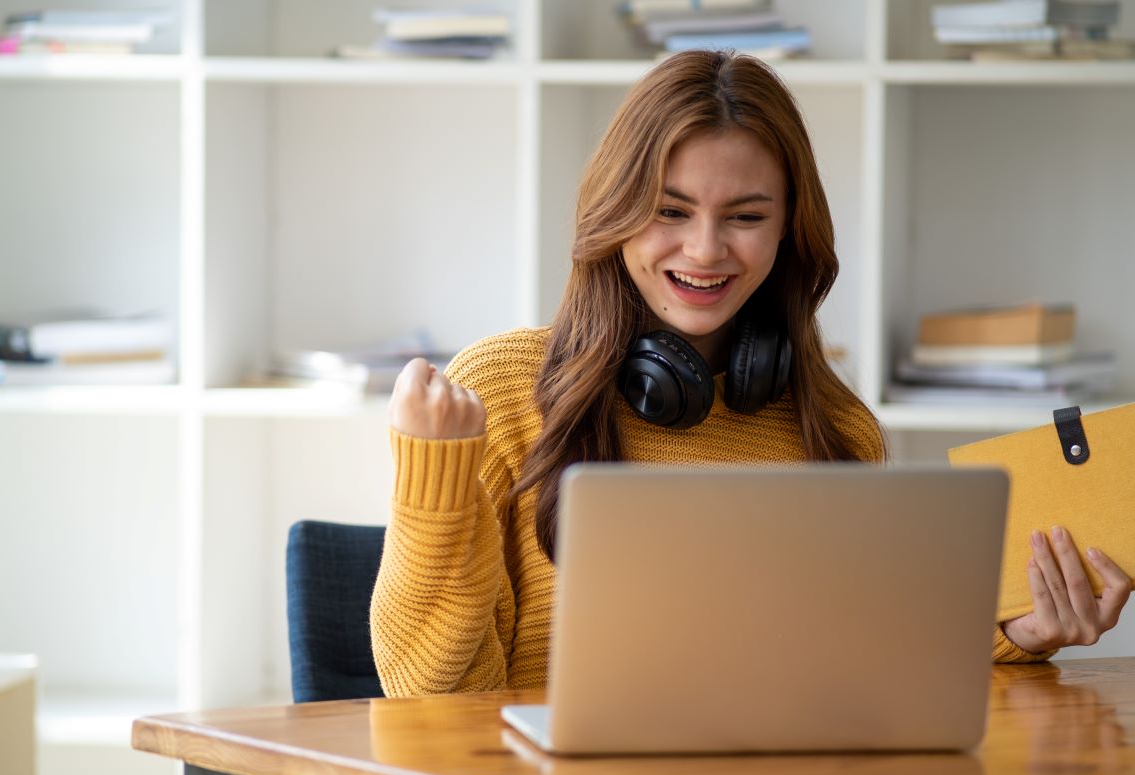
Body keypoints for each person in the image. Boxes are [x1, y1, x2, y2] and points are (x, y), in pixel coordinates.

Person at [369, 50, 1130, 697]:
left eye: (744, 215)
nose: (704, 251)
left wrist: (1014, 633)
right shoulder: (501, 391)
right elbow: (426, 694)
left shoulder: (834, 427)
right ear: (616, 213)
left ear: (789, 230)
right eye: (670, 210)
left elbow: (877, 671)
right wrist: (433, 473)